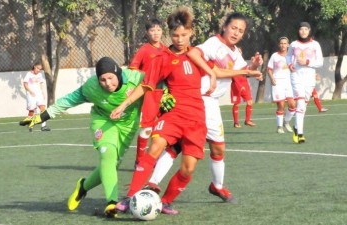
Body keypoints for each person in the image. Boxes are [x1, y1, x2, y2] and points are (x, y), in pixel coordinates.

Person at [146, 12, 263, 203]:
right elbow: (193, 53)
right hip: (198, 99)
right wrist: (215, 72)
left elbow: (239, 70)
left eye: (240, 31)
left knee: (216, 149)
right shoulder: (213, 44)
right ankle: (153, 184)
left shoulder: (235, 52)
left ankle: (215, 186)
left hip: (210, 103)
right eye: (233, 28)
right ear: (224, 27)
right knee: (178, 145)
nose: (236, 33)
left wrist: (253, 64)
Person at [110, 7, 216, 215]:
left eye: (184, 35)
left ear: (191, 33)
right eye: (175, 35)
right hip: (174, 115)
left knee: (188, 168)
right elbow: (146, 85)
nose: (179, 39)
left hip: (196, 118)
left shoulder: (198, 54)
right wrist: (123, 105)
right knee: (155, 146)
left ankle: (165, 201)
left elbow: (217, 70)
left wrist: (246, 71)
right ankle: (131, 196)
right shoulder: (163, 58)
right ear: (170, 35)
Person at [27, 57, 145, 218]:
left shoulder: (135, 79)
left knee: (110, 165)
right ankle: (111, 202)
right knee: (107, 153)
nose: (107, 83)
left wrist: (166, 97)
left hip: (127, 126)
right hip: (103, 121)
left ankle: (83, 186)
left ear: (118, 73)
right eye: (102, 80)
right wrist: (43, 116)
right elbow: (69, 100)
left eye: (111, 78)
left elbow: (158, 85)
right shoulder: (91, 87)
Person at [129, 18, 169, 165]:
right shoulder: (144, 50)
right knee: (147, 127)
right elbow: (133, 69)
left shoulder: (166, 50)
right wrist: (144, 79)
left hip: (164, 92)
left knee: (164, 127)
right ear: (147, 33)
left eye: (158, 30)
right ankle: (139, 160)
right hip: (149, 93)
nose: (156, 33)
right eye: (152, 30)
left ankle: (155, 157)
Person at [286, 22, 323, 144]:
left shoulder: (315, 45)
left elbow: (320, 62)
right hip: (296, 76)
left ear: (309, 31)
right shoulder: (293, 44)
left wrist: (307, 62)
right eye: (301, 29)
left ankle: (296, 128)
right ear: (298, 31)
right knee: (300, 104)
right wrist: (290, 64)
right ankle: (300, 134)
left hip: (309, 77)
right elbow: (288, 56)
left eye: (306, 29)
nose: (303, 31)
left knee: (304, 105)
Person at [267, 37, 296, 134]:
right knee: (281, 105)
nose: (283, 45)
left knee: (292, 105)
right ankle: (279, 127)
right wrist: (271, 78)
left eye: (285, 43)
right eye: (281, 43)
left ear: (288, 45)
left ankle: (286, 122)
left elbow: (296, 68)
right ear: (279, 44)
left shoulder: (292, 56)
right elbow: (269, 69)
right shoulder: (275, 56)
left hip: (289, 83)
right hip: (278, 82)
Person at [230, 49, 262, 128]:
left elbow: (249, 70)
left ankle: (247, 120)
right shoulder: (231, 64)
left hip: (244, 83)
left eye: (240, 51)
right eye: (238, 51)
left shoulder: (242, 64)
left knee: (250, 102)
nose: (239, 52)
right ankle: (236, 122)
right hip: (236, 84)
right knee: (236, 103)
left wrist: (256, 69)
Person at [19, 62, 51, 131]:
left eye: (40, 69)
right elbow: (25, 84)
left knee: (43, 109)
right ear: (34, 67)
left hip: (39, 95)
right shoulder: (29, 74)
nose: (38, 70)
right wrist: (30, 91)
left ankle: (43, 126)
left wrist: (43, 92)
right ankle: (30, 126)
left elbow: (41, 84)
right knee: (32, 111)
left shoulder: (40, 75)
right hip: (31, 95)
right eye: (37, 68)